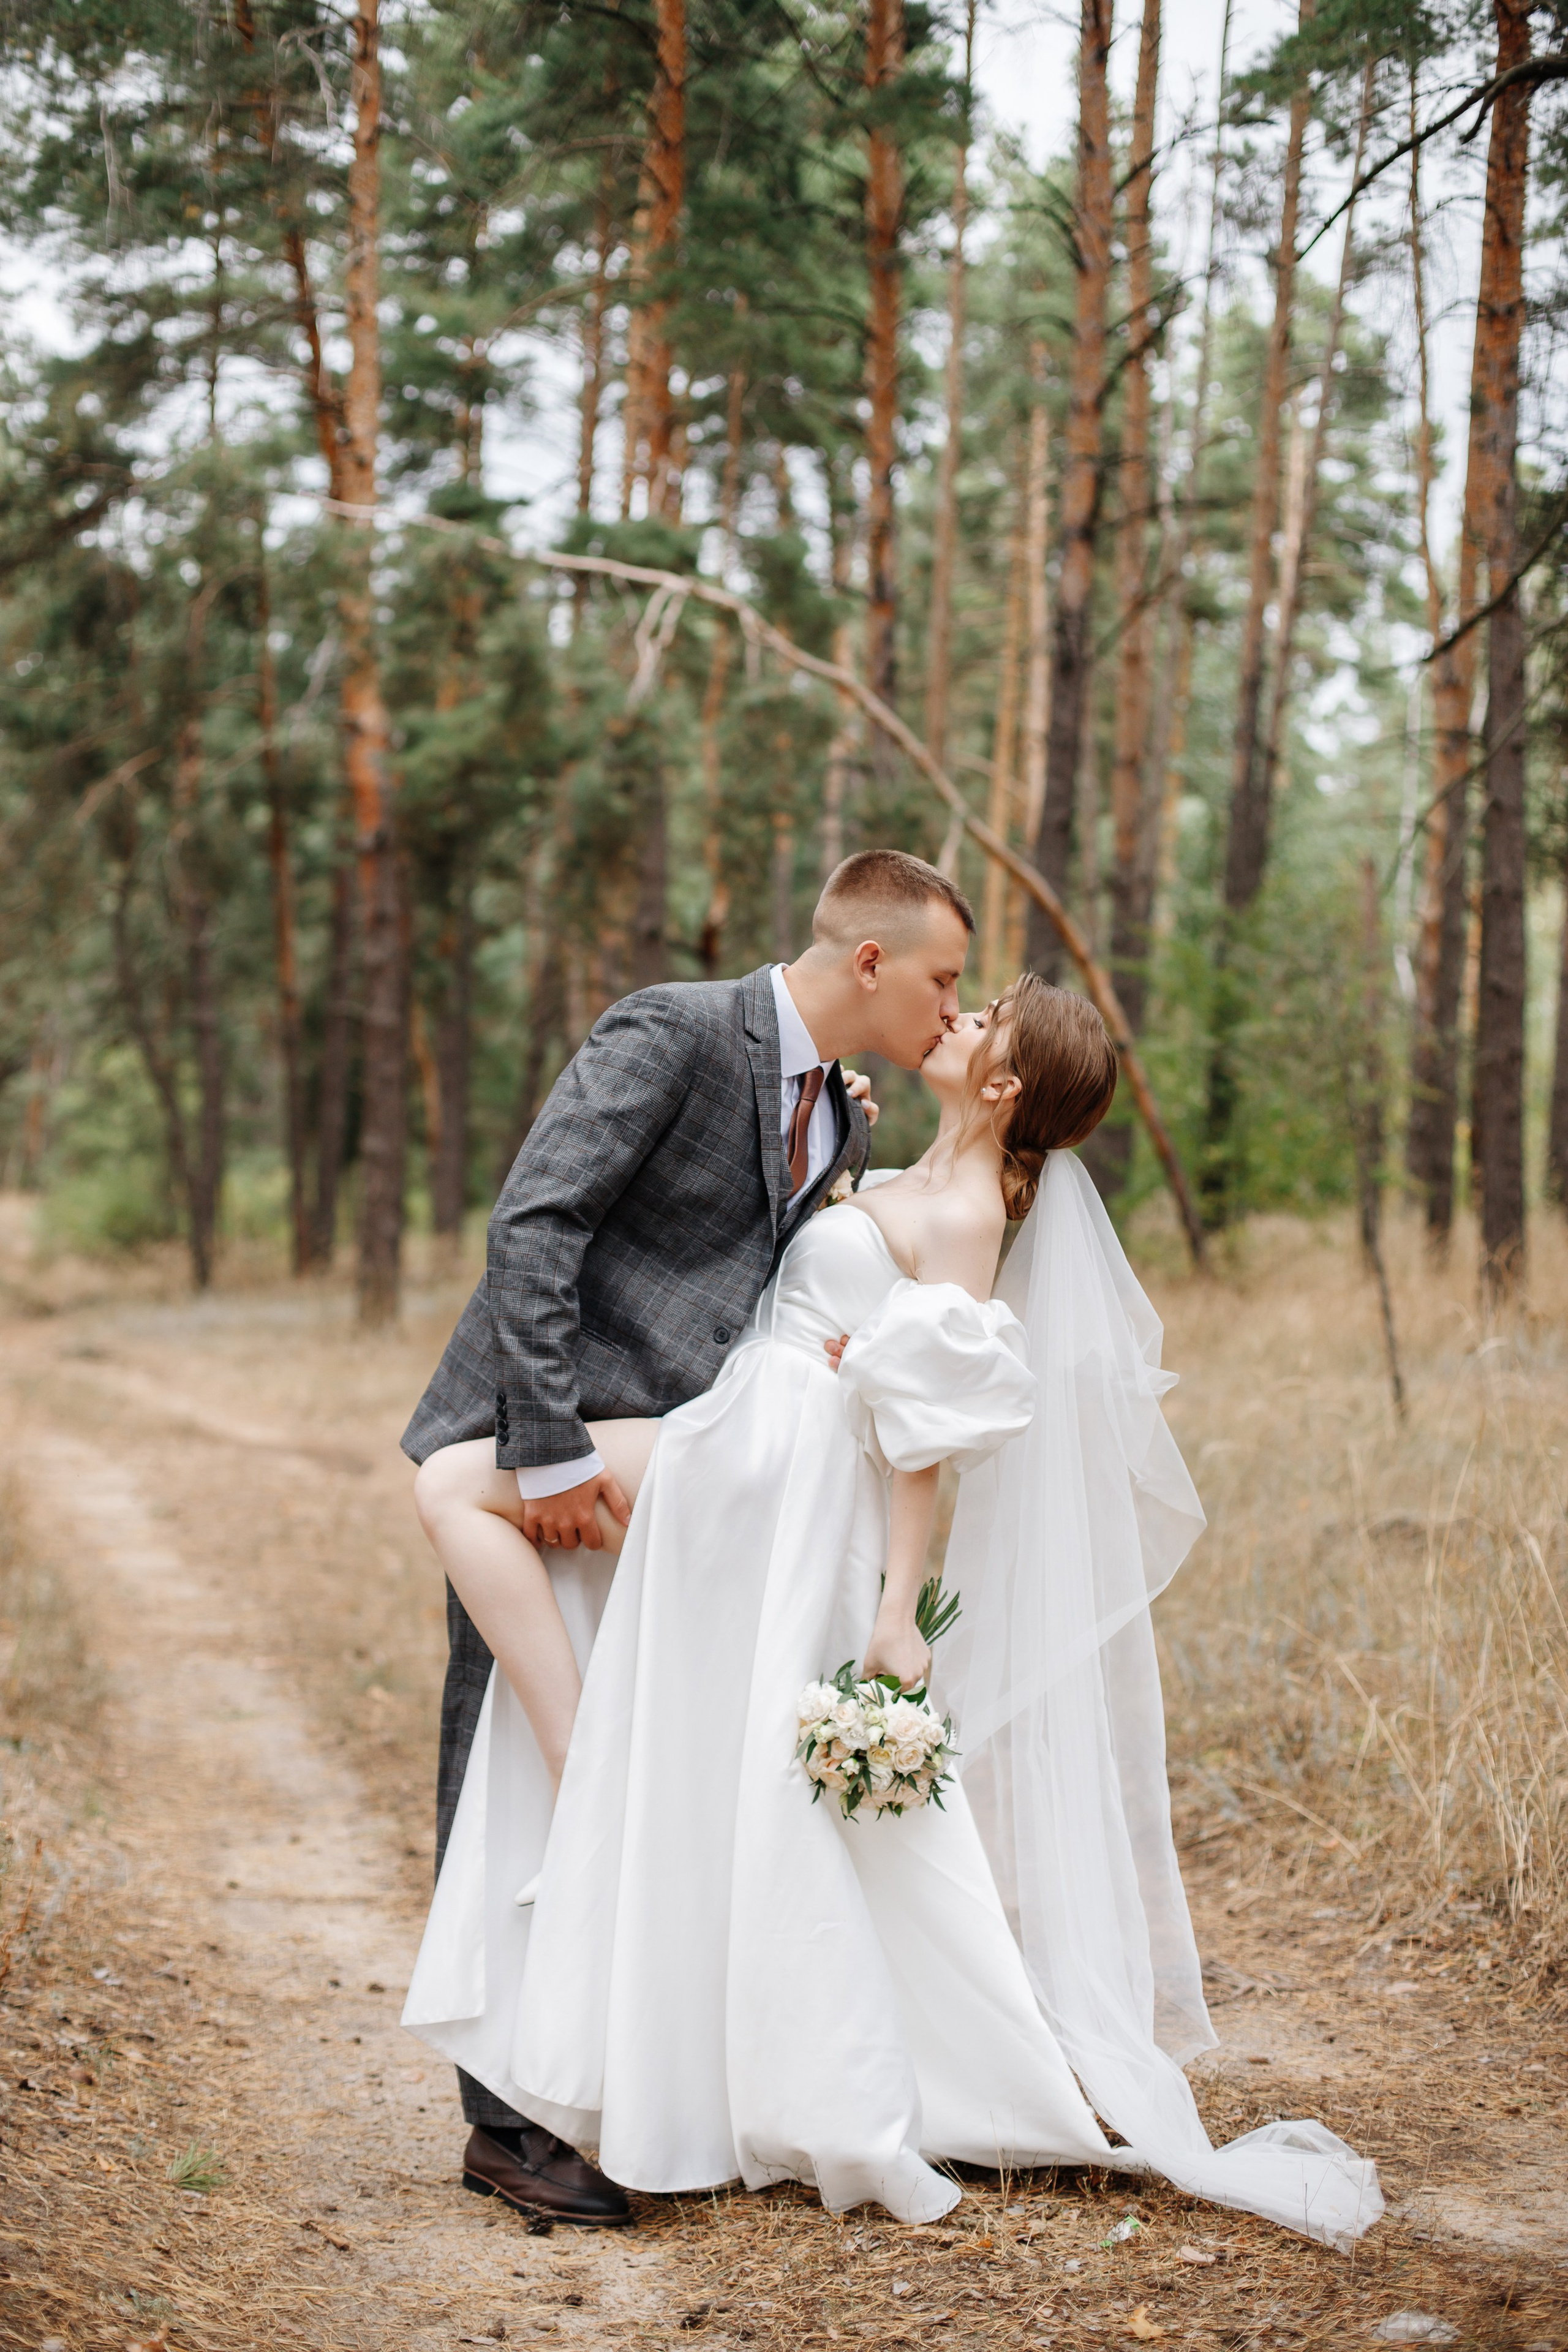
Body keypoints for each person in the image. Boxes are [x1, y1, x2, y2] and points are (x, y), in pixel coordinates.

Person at [404, 978, 1384, 2247]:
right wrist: (829, 1159)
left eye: (984, 1018)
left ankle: (584, 1761)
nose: (959, 1018)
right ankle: (628, 1886)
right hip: (748, 1437)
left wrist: (895, 1605)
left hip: (783, 1471)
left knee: (454, 1485)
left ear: (1005, 1084)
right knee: (713, 1743)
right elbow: (838, 1308)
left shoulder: (969, 1214)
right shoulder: (896, 1163)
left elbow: (925, 1430)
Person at [401, 847, 977, 2223]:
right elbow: (535, 1225)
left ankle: (600, 2079)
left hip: (671, 1483)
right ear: (870, 961)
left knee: (629, 1775)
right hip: (548, 1447)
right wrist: (545, 1445)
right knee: (505, 1756)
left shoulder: (837, 1118)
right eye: (943, 977)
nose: (952, 1006)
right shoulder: (674, 1029)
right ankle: (504, 2126)